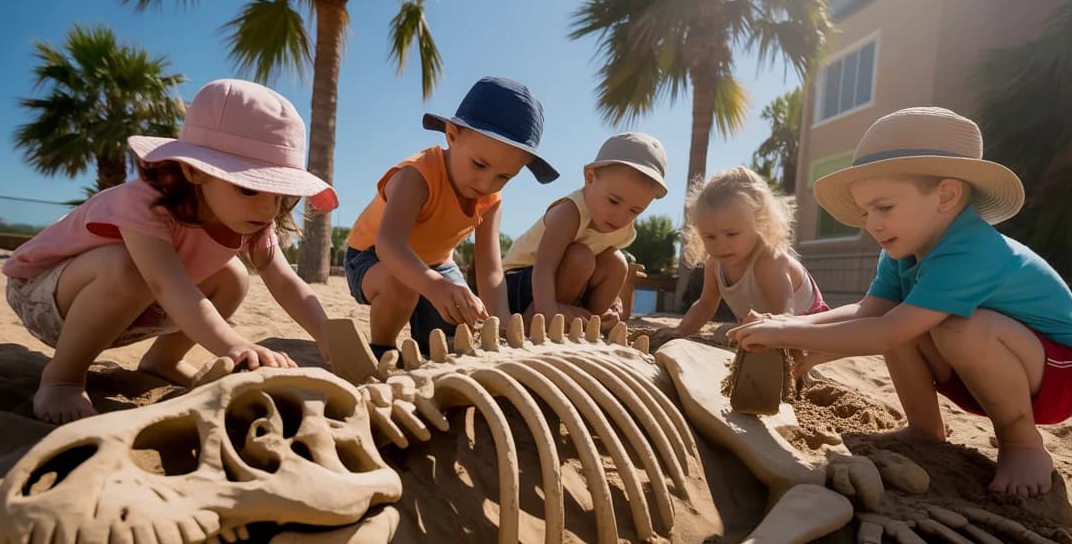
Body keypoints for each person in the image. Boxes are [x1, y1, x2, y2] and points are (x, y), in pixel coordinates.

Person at [728, 107, 1072, 498]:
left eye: (884, 207)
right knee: (912, 315)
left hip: (1060, 375)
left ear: (946, 194)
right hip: (979, 373)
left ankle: (1022, 443)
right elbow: (868, 313)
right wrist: (798, 334)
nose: (871, 223)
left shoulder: (971, 250)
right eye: (865, 211)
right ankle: (925, 428)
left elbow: (885, 334)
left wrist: (784, 330)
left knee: (956, 327)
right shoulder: (901, 251)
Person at [3, 79, 338, 424]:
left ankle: (163, 361)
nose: (270, 208)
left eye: (281, 194)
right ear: (194, 170)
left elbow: (284, 280)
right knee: (128, 267)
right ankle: (62, 378)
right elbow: (166, 283)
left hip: (127, 315)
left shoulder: (252, 218)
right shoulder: (145, 201)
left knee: (235, 277)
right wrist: (234, 345)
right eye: (250, 188)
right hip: (45, 298)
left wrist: (327, 334)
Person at [345, 76, 557, 357]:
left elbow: (490, 270)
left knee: (462, 319)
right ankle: (381, 348)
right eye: (479, 164)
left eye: (504, 177)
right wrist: (434, 285)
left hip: (436, 264)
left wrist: (503, 324)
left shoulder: (491, 201)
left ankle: (426, 343)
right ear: (452, 135)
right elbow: (389, 244)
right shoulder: (417, 176)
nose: (485, 184)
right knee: (402, 283)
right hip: (370, 257)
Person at [503, 132, 668, 329]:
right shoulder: (570, 212)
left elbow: (602, 266)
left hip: (563, 286)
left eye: (635, 211)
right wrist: (547, 310)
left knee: (617, 262)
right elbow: (544, 268)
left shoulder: (622, 229)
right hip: (517, 284)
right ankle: (542, 319)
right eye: (614, 201)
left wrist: (612, 300)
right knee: (580, 256)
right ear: (590, 178)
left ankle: (592, 321)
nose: (621, 217)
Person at [660, 166, 827, 347]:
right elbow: (705, 305)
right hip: (765, 326)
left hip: (807, 328)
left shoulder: (769, 261)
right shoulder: (714, 265)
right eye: (710, 237)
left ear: (758, 223)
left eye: (731, 234)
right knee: (725, 333)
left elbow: (785, 316)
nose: (721, 245)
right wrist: (681, 331)